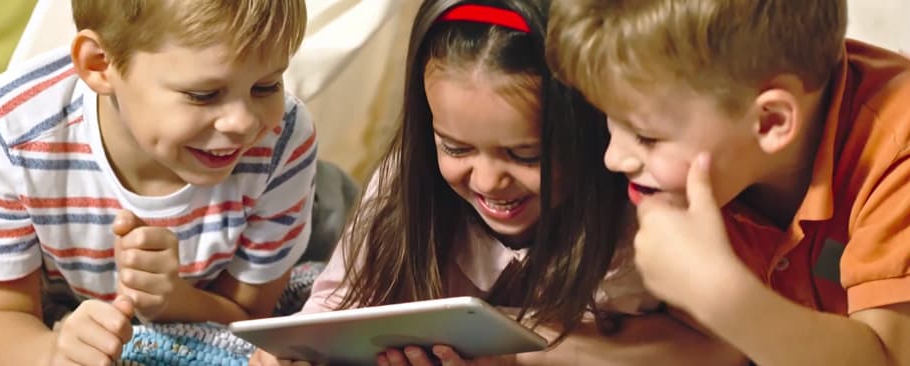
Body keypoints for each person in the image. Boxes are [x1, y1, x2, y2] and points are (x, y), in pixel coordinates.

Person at [252, 1, 745, 365]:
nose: (487, 179)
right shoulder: (410, 180)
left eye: (525, 154)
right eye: (456, 148)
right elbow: (333, 309)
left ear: (595, 130)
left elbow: (722, 350)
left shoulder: (644, 208)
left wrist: (520, 353)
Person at [0, 1, 316, 365]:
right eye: (204, 95)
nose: (243, 122)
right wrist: (51, 354)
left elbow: (252, 317)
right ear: (99, 64)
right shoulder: (5, 133)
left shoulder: (283, 138)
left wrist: (175, 301)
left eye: (266, 86)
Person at [547, 0, 910, 365]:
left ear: (770, 122)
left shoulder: (897, 148)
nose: (613, 157)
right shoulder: (721, 155)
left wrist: (722, 297)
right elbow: (714, 349)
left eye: (646, 136)